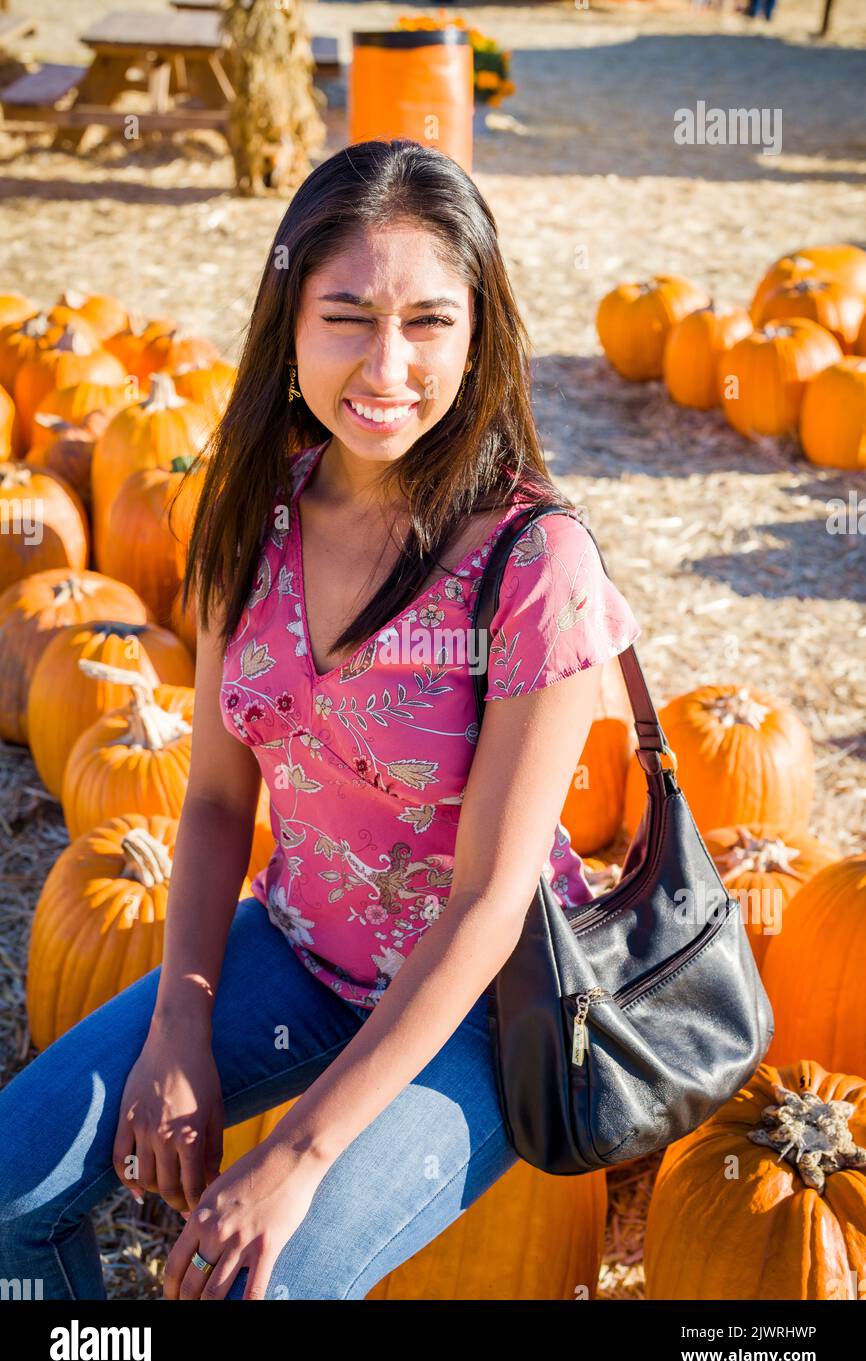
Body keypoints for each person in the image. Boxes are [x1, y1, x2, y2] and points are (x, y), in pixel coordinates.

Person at [0, 139, 642, 1301]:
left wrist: (296, 1152)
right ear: (287, 326)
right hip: (300, 951)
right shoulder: (251, 522)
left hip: (485, 1012)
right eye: (347, 315)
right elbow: (207, 798)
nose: (386, 363)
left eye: (428, 323)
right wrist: (178, 1024)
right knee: (10, 1181)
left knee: (265, 1284)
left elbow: (491, 900)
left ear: (478, 335)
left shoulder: (534, 562)